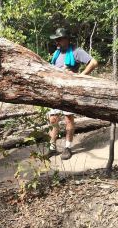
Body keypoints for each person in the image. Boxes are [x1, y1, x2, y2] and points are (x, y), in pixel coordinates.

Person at [48, 28, 98, 160]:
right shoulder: (56, 53)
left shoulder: (76, 51)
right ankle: (52, 147)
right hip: (55, 91)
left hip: (69, 91)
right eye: (56, 39)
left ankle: (68, 147)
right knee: (53, 118)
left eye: (59, 39)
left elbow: (93, 62)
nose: (57, 42)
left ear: (67, 39)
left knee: (68, 118)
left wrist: (81, 76)